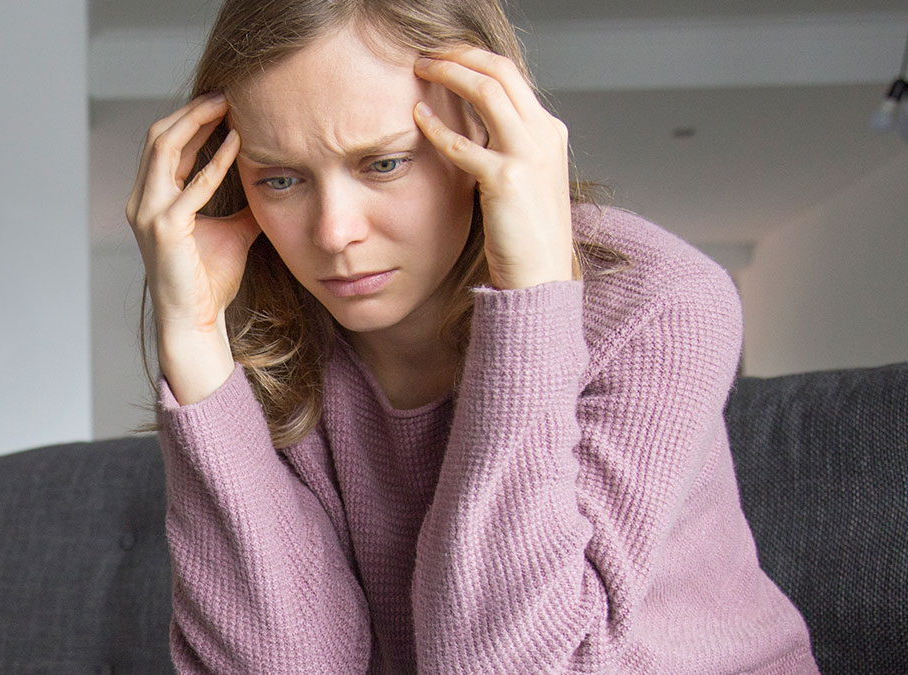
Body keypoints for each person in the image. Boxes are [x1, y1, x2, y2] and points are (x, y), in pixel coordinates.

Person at [125, 0, 820, 672]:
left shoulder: (661, 305)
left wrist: (530, 304)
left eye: (385, 163)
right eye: (280, 179)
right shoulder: (272, 328)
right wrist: (192, 338)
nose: (334, 233)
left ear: (488, 133)